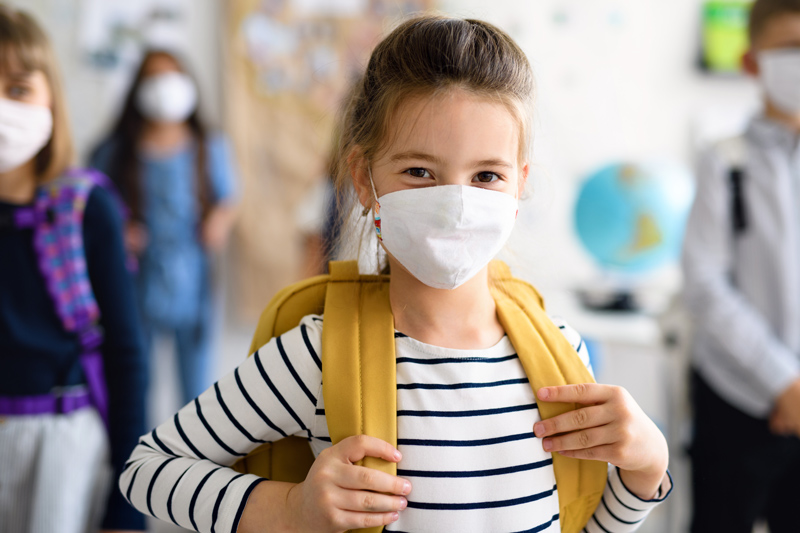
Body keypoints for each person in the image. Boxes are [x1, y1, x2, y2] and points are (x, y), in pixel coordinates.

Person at [120, 15, 672, 533]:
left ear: (518, 184)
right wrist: (292, 507)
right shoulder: (317, 356)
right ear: (364, 179)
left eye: (486, 175)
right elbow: (145, 470)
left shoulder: (562, 357)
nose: (455, 202)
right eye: (418, 171)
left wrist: (649, 466)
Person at [0, 5, 146, 532]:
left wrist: (127, 504)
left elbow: (127, 357)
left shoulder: (86, 209)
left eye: (17, 89)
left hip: (63, 445)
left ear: (50, 100)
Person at [683, 0, 800, 531]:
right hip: (738, 398)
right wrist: (784, 383)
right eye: (791, 49)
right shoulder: (725, 159)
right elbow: (706, 285)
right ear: (753, 64)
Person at [90, 50, 238, 406]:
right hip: (135, 276)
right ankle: (135, 451)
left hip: (195, 274)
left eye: (172, 76)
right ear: (138, 89)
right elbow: (92, 202)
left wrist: (218, 222)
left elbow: (228, 197)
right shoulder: (117, 150)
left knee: (197, 378)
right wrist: (117, 231)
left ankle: (194, 453)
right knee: (134, 371)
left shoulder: (208, 145)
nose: (165, 88)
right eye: (154, 78)